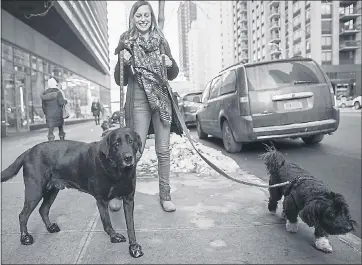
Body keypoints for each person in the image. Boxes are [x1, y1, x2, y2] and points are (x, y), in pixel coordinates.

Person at [114, 0, 182, 212]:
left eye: (146, 15)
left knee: (163, 151)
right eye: (138, 15)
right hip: (139, 101)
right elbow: (120, 80)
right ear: (133, 18)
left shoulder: (161, 40)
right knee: (135, 151)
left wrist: (171, 64)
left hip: (161, 100)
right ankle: (120, 192)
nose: (143, 19)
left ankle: (165, 195)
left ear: (151, 17)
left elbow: (172, 74)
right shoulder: (126, 41)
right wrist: (122, 62)